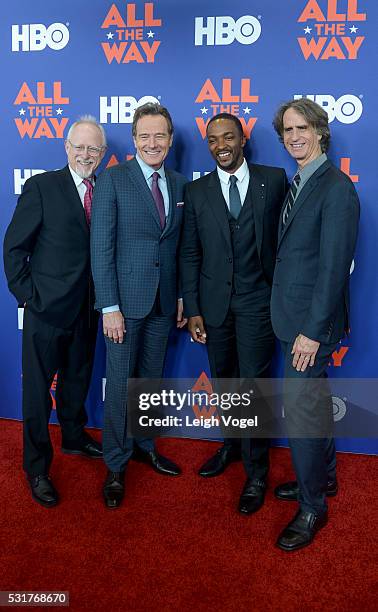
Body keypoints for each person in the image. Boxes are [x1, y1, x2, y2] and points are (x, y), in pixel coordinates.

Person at [180, 113, 287, 514]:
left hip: (259, 303)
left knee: (253, 387)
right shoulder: (196, 191)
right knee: (224, 381)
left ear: (242, 140)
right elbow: (190, 254)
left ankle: (257, 473)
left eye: (228, 137)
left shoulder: (273, 180)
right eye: (212, 140)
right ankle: (231, 447)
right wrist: (193, 309)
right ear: (207, 145)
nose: (220, 145)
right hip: (214, 307)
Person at [3, 115, 106, 507]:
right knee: (36, 393)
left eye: (93, 148)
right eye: (78, 147)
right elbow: (14, 248)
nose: (85, 154)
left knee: (77, 380)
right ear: (66, 148)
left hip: (88, 309)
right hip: (45, 311)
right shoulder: (42, 187)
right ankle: (37, 467)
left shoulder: (106, 188)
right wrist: (29, 296)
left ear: (103, 153)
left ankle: (75, 437)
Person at [271, 98, 360, 551]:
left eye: (301, 127)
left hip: (310, 326)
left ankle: (311, 509)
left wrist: (310, 330)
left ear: (321, 131)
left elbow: (332, 267)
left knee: (303, 414)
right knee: (316, 404)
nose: (294, 136)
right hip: (293, 318)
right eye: (287, 130)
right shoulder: (301, 181)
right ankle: (323, 481)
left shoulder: (336, 187)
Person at [91, 102, 187, 509]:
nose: (152, 143)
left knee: (150, 382)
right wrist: (108, 305)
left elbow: (179, 248)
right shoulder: (114, 179)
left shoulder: (180, 184)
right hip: (124, 306)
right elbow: (102, 246)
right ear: (133, 141)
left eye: (159, 135)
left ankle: (145, 445)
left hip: (164, 303)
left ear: (169, 139)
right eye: (144, 136)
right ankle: (115, 464)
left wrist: (181, 295)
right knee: (120, 387)